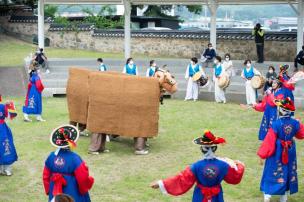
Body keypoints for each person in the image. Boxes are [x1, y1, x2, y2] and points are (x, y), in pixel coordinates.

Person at [150, 130, 245, 202]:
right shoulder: (224, 165)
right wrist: (240, 165)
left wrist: (161, 183)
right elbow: (234, 177)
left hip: (200, 195)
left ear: (202, 149)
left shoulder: (196, 166)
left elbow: (181, 179)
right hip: (216, 195)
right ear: (215, 148)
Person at [257, 97, 304, 202]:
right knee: (287, 170)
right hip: (290, 149)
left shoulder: (276, 124)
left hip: (277, 150)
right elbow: (301, 135)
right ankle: (283, 197)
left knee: (272, 169)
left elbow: (269, 141)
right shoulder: (295, 123)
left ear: (281, 110)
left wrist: (262, 154)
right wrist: (299, 124)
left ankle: (268, 194)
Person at [43, 125, 94, 201]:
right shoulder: (75, 158)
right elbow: (82, 177)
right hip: (71, 189)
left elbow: (45, 176)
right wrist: (84, 189)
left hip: (54, 189)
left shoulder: (51, 156)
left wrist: (48, 190)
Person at [0, 96, 18, 176]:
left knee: (4, 146)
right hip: (2, 128)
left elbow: (10, 116)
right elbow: (11, 116)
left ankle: (5, 169)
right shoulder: (2, 106)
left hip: (2, 129)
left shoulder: (2, 107)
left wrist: (8, 106)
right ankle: (4, 169)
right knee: (4, 147)